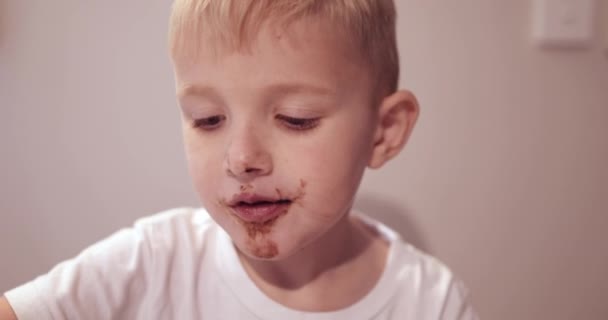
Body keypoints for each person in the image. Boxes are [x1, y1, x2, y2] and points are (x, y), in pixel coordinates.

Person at [1, 0, 479, 319]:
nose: (241, 158)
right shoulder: (152, 263)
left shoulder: (430, 302)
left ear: (384, 131)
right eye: (208, 120)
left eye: (296, 119)